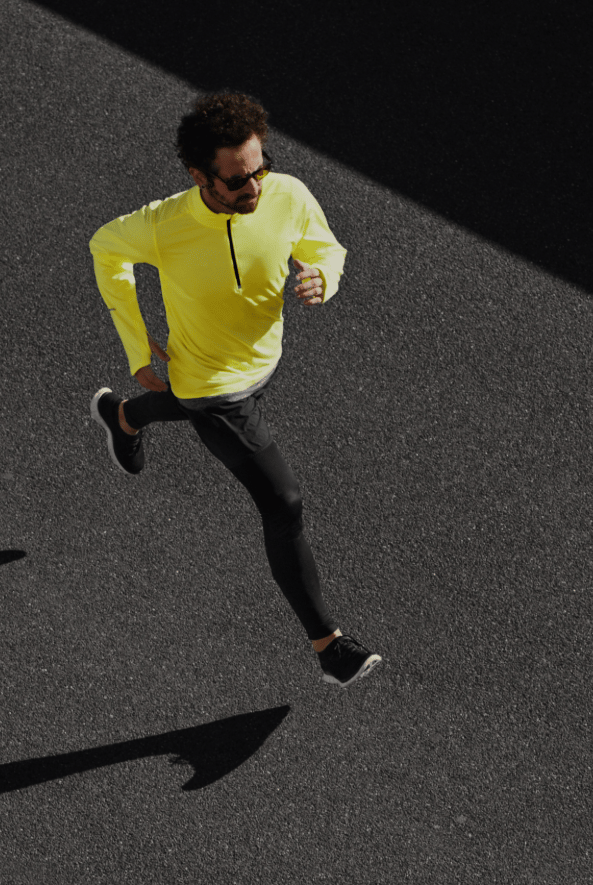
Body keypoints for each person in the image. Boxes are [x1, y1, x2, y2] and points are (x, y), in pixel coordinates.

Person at [87, 91, 381, 687]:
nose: (255, 187)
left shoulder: (286, 193)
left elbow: (325, 246)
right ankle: (330, 648)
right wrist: (138, 347)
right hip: (212, 386)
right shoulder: (164, 226)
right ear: (200, 176)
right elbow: (105, 249)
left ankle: (123, 418)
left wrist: (323, 277)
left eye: (260, 168)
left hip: (262, 361)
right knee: (283, 503)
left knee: (187, 403)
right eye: (238, 180)